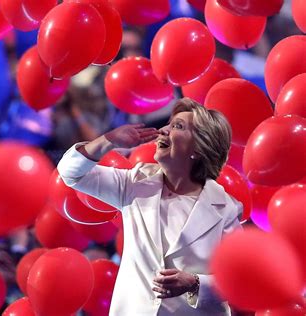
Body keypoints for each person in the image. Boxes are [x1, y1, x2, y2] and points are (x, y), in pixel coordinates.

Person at [57, 98, 242, 315]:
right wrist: (109, 140)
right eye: (169, 123)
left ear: (199, 149)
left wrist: (195, 283)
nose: (164, 131)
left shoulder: (225, 210)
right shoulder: (134, 183)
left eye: (178, 126)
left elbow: (237, 281)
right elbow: (70, 172)